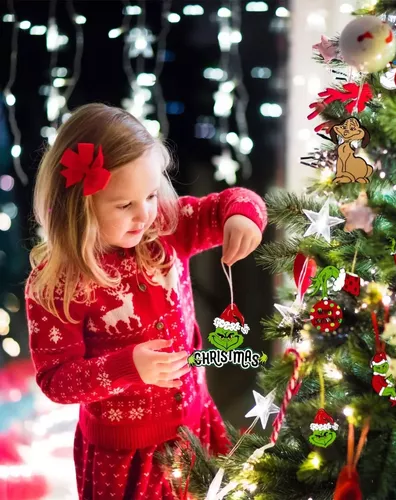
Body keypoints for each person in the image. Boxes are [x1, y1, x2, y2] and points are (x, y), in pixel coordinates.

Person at [24, 103, 267, 499]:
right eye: (125, 205)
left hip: (194, 425)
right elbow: (56, 381)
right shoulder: (58, 282)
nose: (144, 215)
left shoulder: (166, 228)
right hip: (124, 456)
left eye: (151, 195)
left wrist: (241, 215)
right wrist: (127, 367)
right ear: (79, 206)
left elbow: (232, 201)